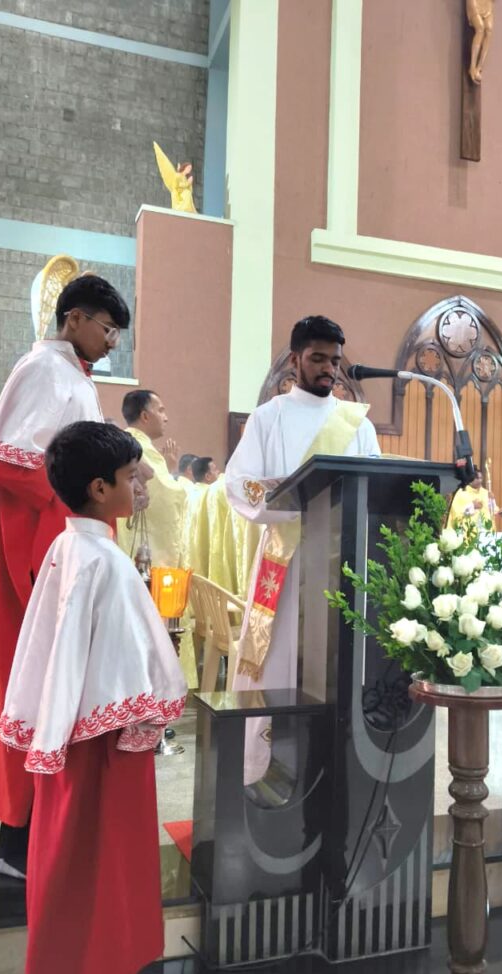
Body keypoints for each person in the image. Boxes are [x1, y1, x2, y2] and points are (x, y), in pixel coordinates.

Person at [0, 421, 186, 974]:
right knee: (105, 878)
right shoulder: (104, 560)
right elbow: (125, 667)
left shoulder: (67, 546)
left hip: (66, 742)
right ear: (100, 488)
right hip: (105, 749)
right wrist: (149, 713)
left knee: (68, 873)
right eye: (132, 475)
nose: (142, 483)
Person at [0, 274, 129, 880]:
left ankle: (49, 833)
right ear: (73, 319)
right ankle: (17, 842)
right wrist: (81, 505)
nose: (112, 342)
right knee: (35, 690)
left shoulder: (73, 377)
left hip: (67, 550)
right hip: (42, 556)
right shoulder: (43, 370)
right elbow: (12, 465)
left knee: (62, 692)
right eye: (106, 328)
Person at [225, 315, 381, 782]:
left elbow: (375, 485)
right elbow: (239, 483)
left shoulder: (357, 423)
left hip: (342, 564)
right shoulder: (268, 417)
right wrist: (290, 494)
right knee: (277, 664)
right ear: (295, 360)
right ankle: (268, 770)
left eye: (335, 360)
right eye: (317, 358)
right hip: (286, 561)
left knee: (336, 668)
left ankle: (333, 763)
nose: (328, 368)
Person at [116, 390, 190, 568]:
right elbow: (167, 495)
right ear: (145, 416)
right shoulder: (140, 447)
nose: (166, 418)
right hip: (144, 547)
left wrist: (167, 469)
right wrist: (174, 475)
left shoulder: (129, 441)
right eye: (161, 410)